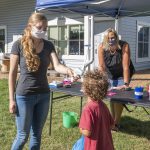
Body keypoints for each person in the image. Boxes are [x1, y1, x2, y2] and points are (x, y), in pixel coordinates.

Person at [9, 12, 76, 150]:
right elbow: (12, 73)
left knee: (36, 136)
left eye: (45, 28)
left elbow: (57, 66)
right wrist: (11, 99)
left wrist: (69, 70)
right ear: (30, 26)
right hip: (24, 96)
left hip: (44, 95)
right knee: (22, 136)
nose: (42, 31)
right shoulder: (18, 45)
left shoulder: (48, 45)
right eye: (39, 27)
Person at [98, 28, 133, 131]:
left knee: (119, 98)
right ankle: (113, 120)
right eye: (108, 38)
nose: (111, 40)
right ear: (105, 39)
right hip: (110, 75)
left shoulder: (124, 45)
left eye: (113, 37)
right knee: (112, 98)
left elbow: (126, 66)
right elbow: (101, 66)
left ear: (116, 37)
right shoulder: (101, 47)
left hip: (122, 74)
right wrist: (101, 81)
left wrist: (126, 84)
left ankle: (116, 123)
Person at [79, 69, 115, 150]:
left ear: (86, 90)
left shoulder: (88, 109)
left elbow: (87, 132)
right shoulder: (103, 105)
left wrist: (81, 129)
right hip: (107, 145)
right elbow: (112, 125)